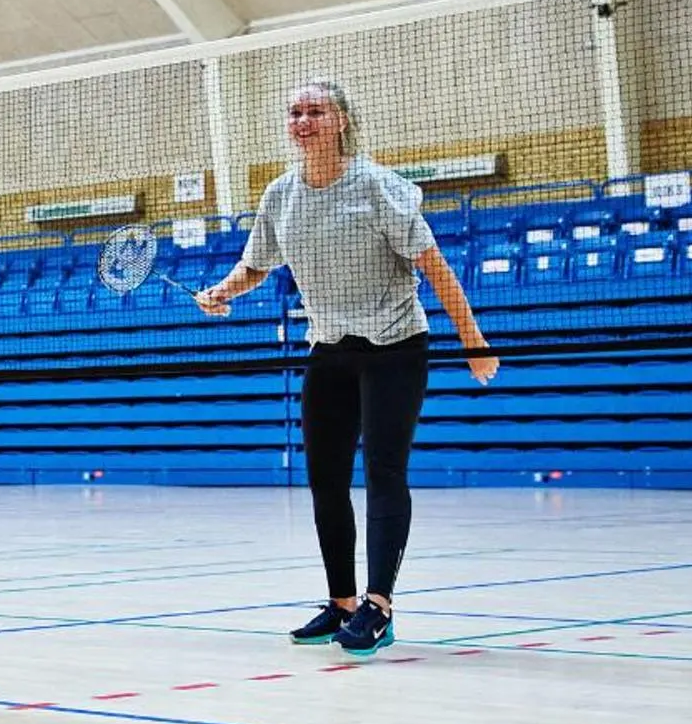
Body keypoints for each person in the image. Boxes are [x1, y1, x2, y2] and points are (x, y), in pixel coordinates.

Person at [195, 79, 496, 658]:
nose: (303, 120)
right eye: (295, 112)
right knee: (325, 481)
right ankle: (343, 603)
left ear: (341, 122)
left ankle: (379, 606)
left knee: (385, 472)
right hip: (329, 351)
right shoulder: (280, 196)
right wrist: (223, 291)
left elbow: (434, 267)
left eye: (315, 111)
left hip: (394, 348)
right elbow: (256, 264)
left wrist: (473, 340)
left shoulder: (381, 188)